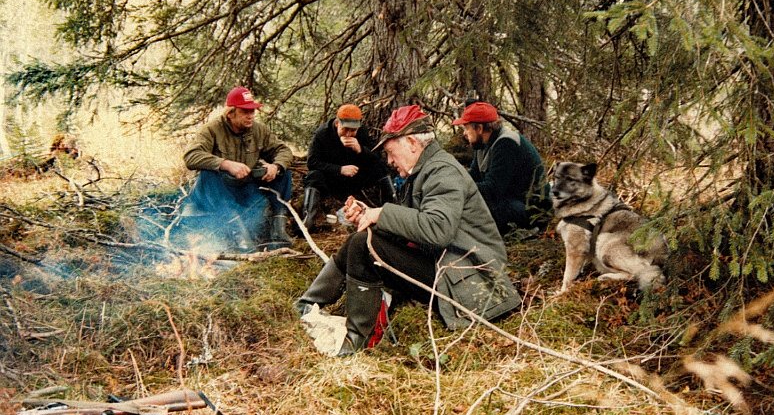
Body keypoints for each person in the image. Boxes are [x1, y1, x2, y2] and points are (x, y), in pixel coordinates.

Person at [295, 105, 521, 355]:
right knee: (361, 239)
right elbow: (412, 223)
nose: (390, 161)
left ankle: (354, 342)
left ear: (412, 143)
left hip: (477, 280)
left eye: (391, 152)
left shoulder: (443, 172)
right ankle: (307, 304)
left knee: (364, 245)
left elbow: (437, 230)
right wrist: (370, 215)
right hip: (450, 266)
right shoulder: (427, 169)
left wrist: (381, 213)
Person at [181, 86, 294, 252]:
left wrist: (275, 166)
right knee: (209, 174)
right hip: (220, 192)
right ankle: (237, 234)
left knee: (284, 173)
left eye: (253, 111)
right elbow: (191, 156)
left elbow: (283, 150)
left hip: (247, 188)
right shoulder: (212, 129)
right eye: (245, 112)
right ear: (230, 113)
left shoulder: (258, 129)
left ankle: (278, 230)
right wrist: (226, 164)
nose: (251, 116)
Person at [452, 101, 551, 235]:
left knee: (486, 208)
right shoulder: (482, 144)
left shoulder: (506, 143)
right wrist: (454, 182)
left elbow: (492, 190)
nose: (464, 133)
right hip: (511, 199)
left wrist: (458, 188)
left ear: (479, 128)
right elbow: (473, 176)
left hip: (533, 210)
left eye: (466, 128)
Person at [301, 104, 395, 229]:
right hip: (332, 180)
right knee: (313, 176)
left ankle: (391, 211)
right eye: (345, 129)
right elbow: (312, 162)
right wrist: (339, 170)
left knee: (381, 169)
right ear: (337, 123)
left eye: (353, 130)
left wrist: (361, 150)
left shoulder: (361, 132)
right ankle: (308, 220)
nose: (349, 134)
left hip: (356, 179)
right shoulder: (322, 134)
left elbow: (377, 158)